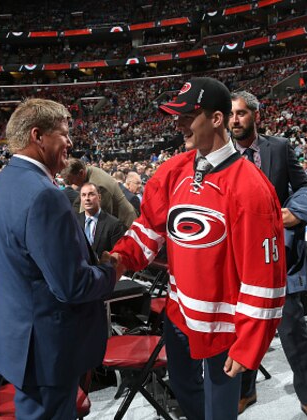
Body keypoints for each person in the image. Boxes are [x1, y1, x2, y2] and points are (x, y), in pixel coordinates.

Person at [111, 78, 286, 420]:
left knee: (220, 410)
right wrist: (121, 258)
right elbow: (150, 226)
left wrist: (249, 341)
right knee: (184, 388)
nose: (178, 126)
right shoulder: (173, 170)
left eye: (187, 116)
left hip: (223, 328)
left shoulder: (251, 188)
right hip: (177, 315)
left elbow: (265, 277)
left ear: (217, 119)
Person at [0, 98, 118, 420]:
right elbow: (72, 286)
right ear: (37, 136)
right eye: (64, 133)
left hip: (18, 339)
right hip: (46, 348)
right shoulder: (44, 195)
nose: (70, 142)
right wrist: (112, 270)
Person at [229, 90, 307, 419]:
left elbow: (305, 188)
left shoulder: (280, 148)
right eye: (230, 115)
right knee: (240, 331)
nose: (234, 120)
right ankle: (246, 391)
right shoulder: (222, 155)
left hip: (278, 260)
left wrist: (297, 212)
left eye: (241, 113)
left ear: (256, 114)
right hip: (239, 261)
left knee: (294, 334)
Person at [62, 158, 137, 228]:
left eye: (72, 180)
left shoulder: (98, 186)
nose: (72, 184)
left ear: (81, 173)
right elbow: (78, 203)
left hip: (125, 224)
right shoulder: (87, 172)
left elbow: (97, 220)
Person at [77, 182, 126, 258]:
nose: (87, 198)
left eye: (91, 194)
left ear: (99, 197)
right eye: (83, 195)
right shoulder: (74, 221)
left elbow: (118, 256)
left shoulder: (114, 224)